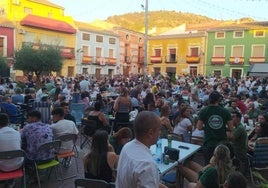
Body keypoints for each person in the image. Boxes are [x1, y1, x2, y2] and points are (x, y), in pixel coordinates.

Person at [116, 111, 167, 188]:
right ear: (150, 133)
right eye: (159, 129)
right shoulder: (147, 164)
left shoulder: (127, 147)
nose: (160, 132)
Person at [197, 91, 233, 164]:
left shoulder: (204, 111)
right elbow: (231, 128)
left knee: (209, 164)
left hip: (209, 142)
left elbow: (199, 127)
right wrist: (222, 128)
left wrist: (207, 126)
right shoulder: (225, 111)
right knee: (222, 164)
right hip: (222, 143)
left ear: (209, 99)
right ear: (218, 100)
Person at [0, 113, 23, 188]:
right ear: (8, 122)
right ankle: (10, 181)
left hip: (2, 167)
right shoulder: (17, 133)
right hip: (18, 165)